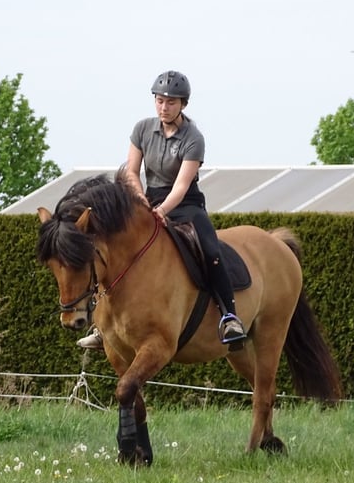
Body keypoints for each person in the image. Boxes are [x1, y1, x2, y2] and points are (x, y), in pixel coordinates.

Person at [76, 70, 246, 349]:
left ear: (183, 104)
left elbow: (180, 186)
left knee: (212, 251)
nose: (164, 107)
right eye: (159, 101)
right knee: (111, 248)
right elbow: (131, 170)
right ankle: (102, 324)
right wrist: (141, 199)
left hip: (185, 205)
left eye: (171, 102)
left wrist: (162, 210)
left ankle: (229, 316)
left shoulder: (194, 138)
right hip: (146, 200)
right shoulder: (142, 129)